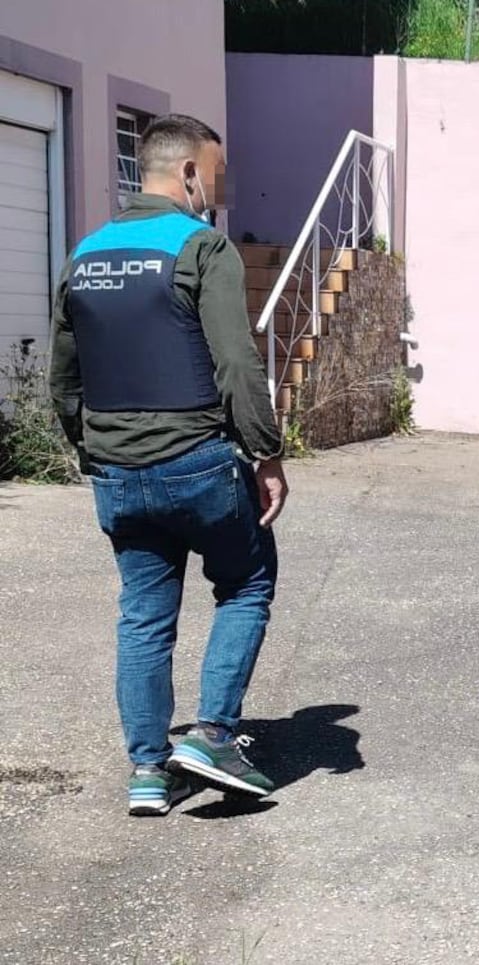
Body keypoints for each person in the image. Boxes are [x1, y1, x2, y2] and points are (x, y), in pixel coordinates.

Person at [49, 114, 289, 816]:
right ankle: (213, 736)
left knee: (144, 617)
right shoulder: (203, 247)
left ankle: (149, 771)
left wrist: (94, 450)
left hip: (116, 472)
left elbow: (64, 380)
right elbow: (236, 363)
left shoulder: (84, 254)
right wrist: (267, 452)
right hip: (198, 462)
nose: (220, 190)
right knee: (247, 582)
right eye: (217, 176)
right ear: (188, 172)